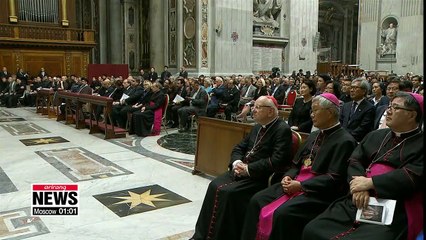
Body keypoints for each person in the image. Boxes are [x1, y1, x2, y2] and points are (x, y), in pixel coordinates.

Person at [303, 92, 423, 240]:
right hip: (358, 199)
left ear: (412, 115)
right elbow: (355, 160)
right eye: (389, 106)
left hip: (394, 205)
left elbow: (411, 176)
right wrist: (359, 185)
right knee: (313, 229)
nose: (388, 111)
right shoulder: (376, 135)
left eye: (395, 107)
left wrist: (371, 183)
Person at [241, 93, 357, 240]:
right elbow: (295, 164)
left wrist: (301, 185)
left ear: (329, 112)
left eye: (315, 110)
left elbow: (334, 178)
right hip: (295, 183)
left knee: (283, 214)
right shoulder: (314, 136)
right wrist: (287, 176)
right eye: (311, 111)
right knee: (257, 200)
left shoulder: (345, 141)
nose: (312, 114)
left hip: (318, 192)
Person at [191, 96, 294, 240]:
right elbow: (239, 147)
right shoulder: (258, 126)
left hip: (260, 176)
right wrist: (237, 162)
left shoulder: (282, 129)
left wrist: (249, 168)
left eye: (258, 107)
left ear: (270, 111)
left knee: (227, 192)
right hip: (243, 170)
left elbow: (277, 161)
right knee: (214, 185)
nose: (253, 110)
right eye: (254, 106)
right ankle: (201, 236)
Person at [340, 78, 375, 142]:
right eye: (351, 87)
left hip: (357, 141)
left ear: (364, 91)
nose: (352, 90)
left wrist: (345, 137)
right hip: (342, 138)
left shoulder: (369, 108)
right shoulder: (346, 105)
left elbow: (363, 128)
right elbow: (340, 121)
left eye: (355, 88)